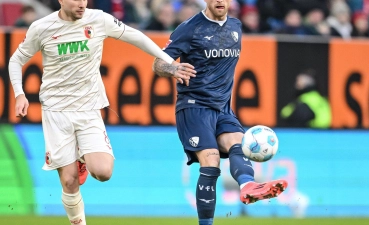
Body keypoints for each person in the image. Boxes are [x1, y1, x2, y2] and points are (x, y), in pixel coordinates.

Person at [8, 0, 194, 224]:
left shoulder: (98, 19)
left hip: (88, 108)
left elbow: (136, 36)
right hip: (56, 111)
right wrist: (19, 93)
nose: (81, 4)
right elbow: (16, 60)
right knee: (69, 182)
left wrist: (169, 61)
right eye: (75, 0)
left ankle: (82, 157)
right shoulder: (42, 27)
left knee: (103, 172)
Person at [152, 0, 288, 224]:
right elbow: (158, 63)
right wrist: (173, 68)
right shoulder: (189, 29)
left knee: (239, 144)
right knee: (211, 160)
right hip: (194, 106)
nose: (219, 1)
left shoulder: (235, 26)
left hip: (223, 107)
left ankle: (247, 186)